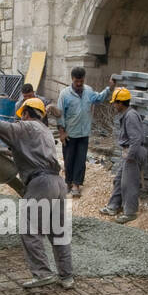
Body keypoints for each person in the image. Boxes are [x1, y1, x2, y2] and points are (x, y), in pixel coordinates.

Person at [0, 97, 73, 290]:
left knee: (29, 228)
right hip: (57, 183)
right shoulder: (45, 132)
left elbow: (5, 128)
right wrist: (4, 151)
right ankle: (66, 276)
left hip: (40, 183)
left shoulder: (27, 127)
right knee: (58, 232)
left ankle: (42, 273)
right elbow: (29, 152)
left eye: (22, 115)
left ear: (26, 113)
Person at [56, 66, 109, 198]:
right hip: (69, 134)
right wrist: (62, 132)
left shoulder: (89, 91)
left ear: (84, 79)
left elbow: (99, 98)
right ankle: (68, 182)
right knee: (69, 160)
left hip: (84, 133)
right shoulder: (64, 94)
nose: (79, 84)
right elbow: (60, 114)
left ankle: (76, 185)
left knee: (80, 160)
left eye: (81, 81)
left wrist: (109, 88)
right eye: (76, 82)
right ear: (72, 79)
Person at [99, 87, 146, 223]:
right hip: (129, 152)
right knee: (119, 180)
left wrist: (130, 156)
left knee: (129, 184)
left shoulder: (130, 116)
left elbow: (136, 139)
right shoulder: (127, 114)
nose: (114, 105)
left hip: (134, 153)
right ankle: (113, 206)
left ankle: (130, 212)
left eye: (115, 103)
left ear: (120, 103)